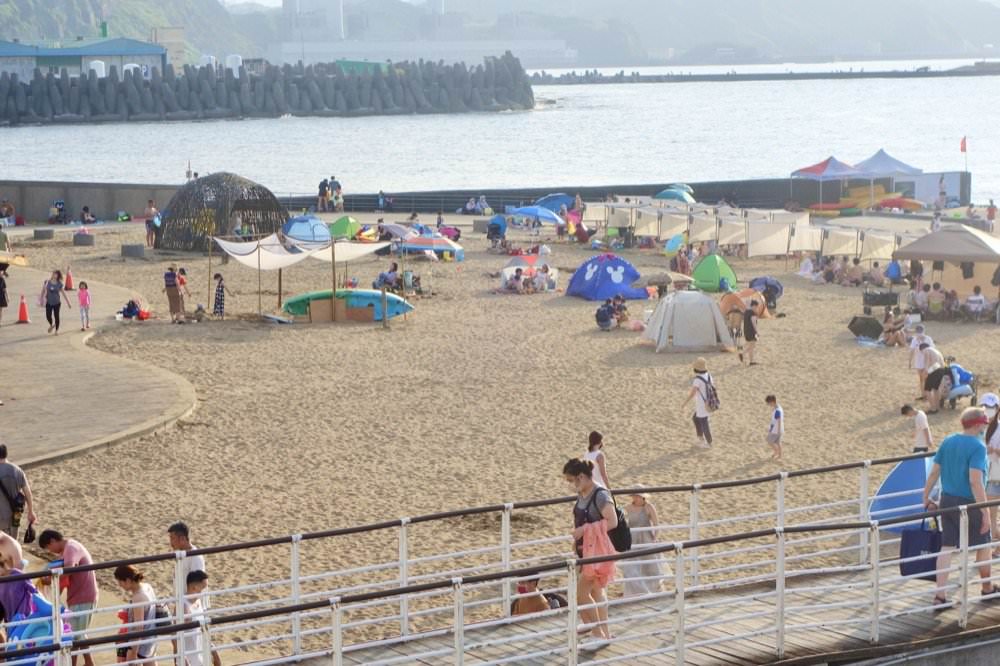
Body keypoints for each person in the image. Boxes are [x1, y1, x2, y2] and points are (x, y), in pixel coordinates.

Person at [923, 408, 1000, 609]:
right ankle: (987, 588)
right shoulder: (977, 447)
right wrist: (984, 510)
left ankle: (940, 595)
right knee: (983, 544)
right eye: (984, 422)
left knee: (947, 546)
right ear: (977, 424)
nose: (985, 426)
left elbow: (934, 473)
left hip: (946, 499)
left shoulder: (948, 441)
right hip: (969, 502)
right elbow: (975, 481)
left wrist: (925, 496)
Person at [563, 458, 617, 647]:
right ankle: (604, 633)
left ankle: (597, 633)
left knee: (582, 594)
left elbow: (612, 521)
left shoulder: (600, 495)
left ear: (582, 477)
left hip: (596, 553)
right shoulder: (583, 493)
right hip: (586, 551)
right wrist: (577, 540)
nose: (571, 485)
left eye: (571, 481)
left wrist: (584, 531)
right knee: (597, 592)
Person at [39, 530, 98, 666]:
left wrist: (52, 580)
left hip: (83, 597)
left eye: (49, 548)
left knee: (74, 636)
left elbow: (69, 569)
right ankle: (88, 662)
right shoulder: (67, 550)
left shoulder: (71, 548)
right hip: (79, 597)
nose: (50, 551)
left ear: (53, 541)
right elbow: (66, 574)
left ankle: (79, 663)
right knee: (78, 632)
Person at [113, 564, 160, 665]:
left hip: (141, 644)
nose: (119, 585)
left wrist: (133, 651)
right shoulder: (147, 587)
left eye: (120, 581)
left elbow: (139, 628)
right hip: (151, 637)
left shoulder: (138, 597)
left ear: (128, 580)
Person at [621, 489, 664, 597]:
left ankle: (654, 589)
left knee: (651, 565)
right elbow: (621, 522)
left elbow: (656, 524)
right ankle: (636, 591)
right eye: (634, 496)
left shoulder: (649, 507)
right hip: (632, 539)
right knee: (631, 564)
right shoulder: (627, 508)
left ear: (642, 497)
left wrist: (655, 538)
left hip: (646, 538)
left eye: (637, 495)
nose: (635, 498)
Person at [180, 570, 222, 666]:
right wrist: (183, 658)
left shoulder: (198, 601)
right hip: (190, 659)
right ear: (194, 587)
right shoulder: (183, 606)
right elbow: (176, 636)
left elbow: (202, 628)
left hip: (201, 656)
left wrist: (212, 648)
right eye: (204, 588)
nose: (205, 591)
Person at [0, 444, 36, 539]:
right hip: (15, 514)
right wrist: (31, 511)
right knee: (13, 543)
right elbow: (28, 493)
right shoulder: (17, 470)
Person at [682, 357, 716, 449]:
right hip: (708, 402)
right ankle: (701, 439)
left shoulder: (697, 380)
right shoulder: (709, 375)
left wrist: (685, 403)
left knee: (703, 421)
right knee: (696, 418)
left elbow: (693, 393)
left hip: (702, 404)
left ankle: (708, 442)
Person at [985, 407, 1000, 551]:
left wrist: (994, 450)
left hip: (994, 476)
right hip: (993, 476)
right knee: (991, 517)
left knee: (991, 517)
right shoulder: (993, 427)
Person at [39, 270, 71, 335]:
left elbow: (64, 293)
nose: (54, 275)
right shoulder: (47, 282)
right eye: (53, 273)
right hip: (48, 302)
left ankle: (56, 330)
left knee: (56, 316)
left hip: (57, 303)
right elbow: (42, 291)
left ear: (58, 276)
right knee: (48, 316)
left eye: (56, 274)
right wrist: (41, 299)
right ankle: (51, 324)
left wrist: (68, 303)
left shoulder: (59, 284)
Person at [909, 325, 933, 400]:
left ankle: (927, 394)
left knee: (926, 378)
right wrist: (909, 361)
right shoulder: (914, 339)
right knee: (921, 379)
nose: (919, 334)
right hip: (918, 362)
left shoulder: (928, 339)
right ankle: (923, 395)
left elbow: (933, 350)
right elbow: (911, 351)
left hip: (927, 361)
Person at [921, 343, 948, 410]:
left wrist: (925, 373)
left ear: (922, 349)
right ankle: (937, 406)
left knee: (927, 390)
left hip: (934, 369)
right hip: (941, 369)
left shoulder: (926, 350)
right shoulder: (936, 351)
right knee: (936, 389)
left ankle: (933, 408)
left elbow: (926, 363)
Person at [765, 395, 784, 460]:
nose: (768, 404)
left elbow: (778, 420)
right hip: (779, 429)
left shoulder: (777, 411)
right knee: (778, 442)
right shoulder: (779, 407)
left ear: (772, 401)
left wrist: (777, 430)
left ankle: (776, 451)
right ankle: (779, 455)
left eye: (769, 403)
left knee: (769, 440)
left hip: (776, 430)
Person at [742, 302, 759, 366]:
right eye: (756, 307)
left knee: (749, 345)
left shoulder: (746, 312)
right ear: (754, 306)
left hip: (746, 331)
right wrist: (757, 332)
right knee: (752, 347)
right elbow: (754, 323)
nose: (757, 308)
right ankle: (744, 355)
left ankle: (750, 360)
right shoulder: (752, 313)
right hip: (752, 332)